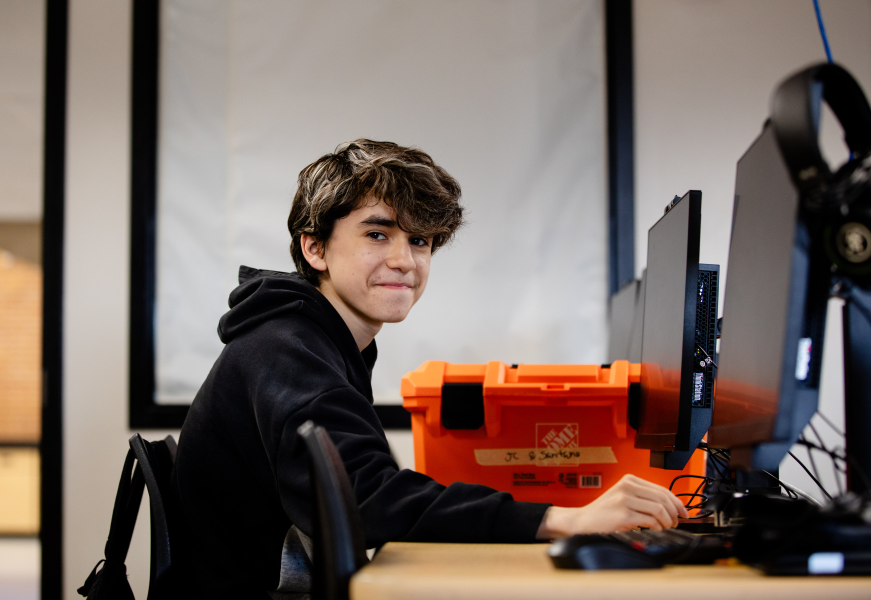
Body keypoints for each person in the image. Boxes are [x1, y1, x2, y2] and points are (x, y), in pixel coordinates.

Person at [173, 139, 688, 599]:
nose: (405, 260)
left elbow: (363, 487)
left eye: (420, 241)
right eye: (378, 234)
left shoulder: (314, 338)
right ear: (316, 247)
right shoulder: (286, 348)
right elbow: (366, 499)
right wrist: (565, 519)